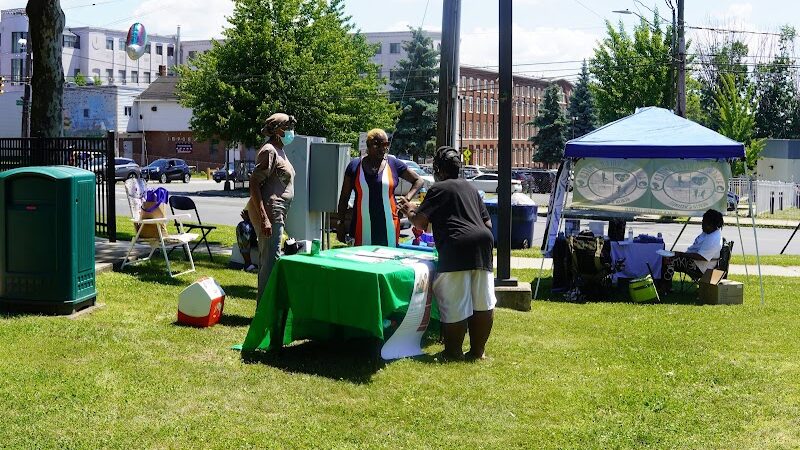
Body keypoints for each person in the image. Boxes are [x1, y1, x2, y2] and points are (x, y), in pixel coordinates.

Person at [400, 146, 496, 361]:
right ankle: (477, 352)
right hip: (483, 243)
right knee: (483, 301)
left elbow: (420, 221)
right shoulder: (471, 189)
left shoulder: (439, 188)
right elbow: (487, 223)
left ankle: (452, 353)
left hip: (456, 246)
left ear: (439, 170)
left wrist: (409, 209)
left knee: (454, 302)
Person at [336, 129, 424, 247]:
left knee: (388, 261)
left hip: (389, 227)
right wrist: (340, 223)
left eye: (386, 144)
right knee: (361, 261)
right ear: (368, 145)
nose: (383, 148)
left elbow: (419, 180)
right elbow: (344, 198)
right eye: (378, 144)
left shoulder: (393, 163)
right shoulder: (355, 166)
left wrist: (407, 198)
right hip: (361, 227)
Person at [246, 112, 297, 303]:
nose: (292, 131)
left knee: (272, 259)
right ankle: (264, 311)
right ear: (277, 131)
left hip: (278, 211)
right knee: (269, 261)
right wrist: (264, 217)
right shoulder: (269, 150)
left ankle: (269, 308)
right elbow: (254, 184)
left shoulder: (279, 150)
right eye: (288, 128)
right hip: (270, 211)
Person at [665, 209, 724, 282]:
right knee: (667, 257)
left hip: (701, 267)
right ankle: (664, 286)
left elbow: (702, 257)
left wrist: (681, 254)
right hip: (696, 262)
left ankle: (665, 288)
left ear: (710, 224)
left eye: (704, 222)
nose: (702, 224)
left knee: (668, 260)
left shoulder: (713, 239)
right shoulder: (708, 232)